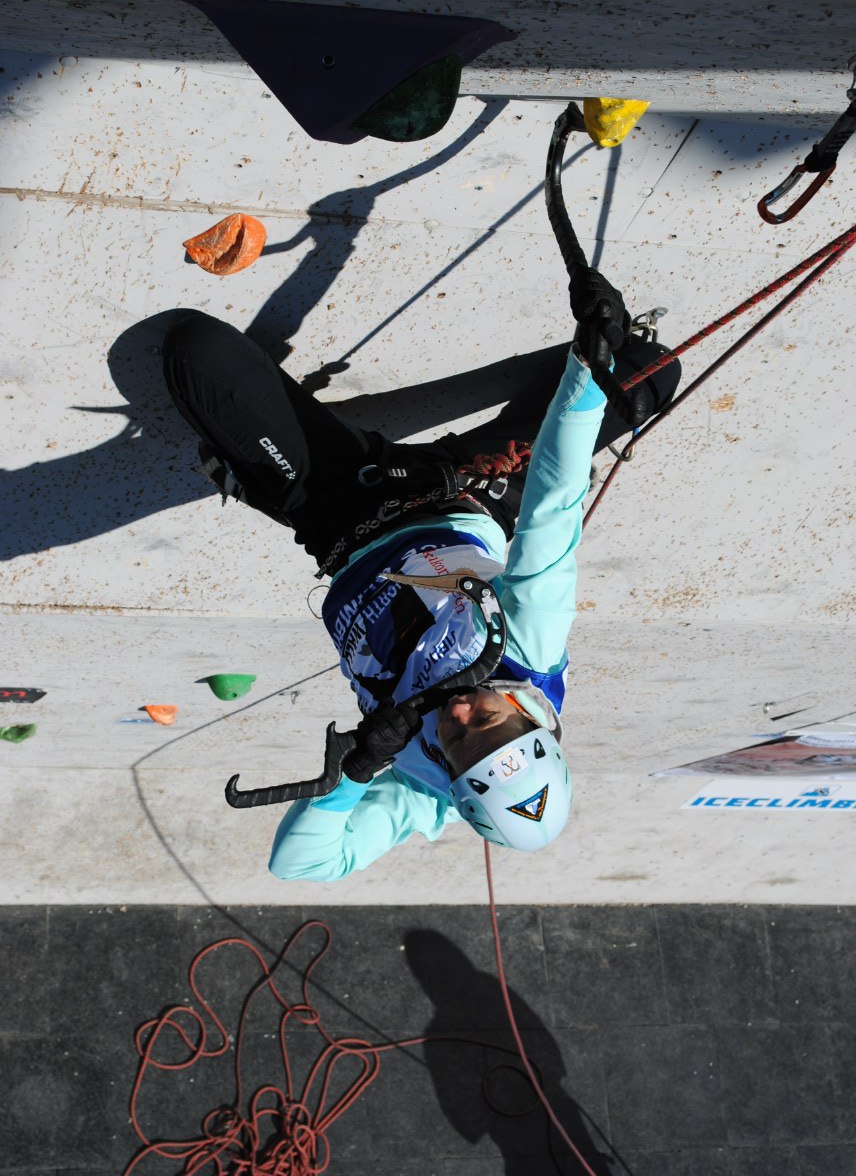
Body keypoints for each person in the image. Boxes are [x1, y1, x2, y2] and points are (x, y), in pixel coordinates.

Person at [162, 267, 680, 880]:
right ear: (529, 715)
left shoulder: (423, 783)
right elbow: (554, 505)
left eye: (460, 744)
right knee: (650, 371)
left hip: (340, 512)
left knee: (194, 351)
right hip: (468, 487)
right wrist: (586, 371)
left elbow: (299, 865)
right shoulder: (530, 648)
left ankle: (263, 464)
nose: (460, 717)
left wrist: (351, 780)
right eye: (489, 721)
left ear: (453, 777)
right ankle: (255, 462)